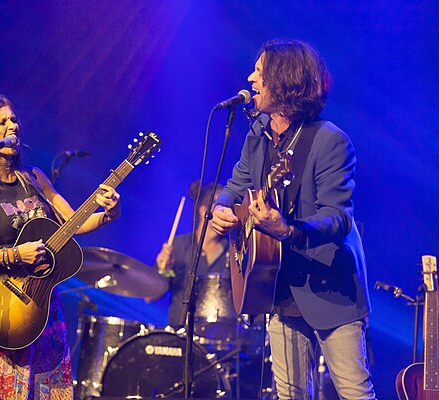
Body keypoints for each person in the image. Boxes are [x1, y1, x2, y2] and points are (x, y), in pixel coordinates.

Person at [211, 39, 376, 399]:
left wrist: (286, 230)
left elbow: (338, 219)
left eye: (260, 72)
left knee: (353, 391)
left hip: (329, 284)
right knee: (290, 394)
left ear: (284, 81)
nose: (251, 78)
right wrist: (221, 209)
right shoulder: (257, 135)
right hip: (276, 283)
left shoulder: (330, 141)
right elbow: (235, 185)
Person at [0, 94, 121, 400]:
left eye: (13, 119)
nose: (12, 125)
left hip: (43, 310)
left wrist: (109, 213)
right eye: (2, 121)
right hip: (0, 310)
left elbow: (73, 222)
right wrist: (14, 254)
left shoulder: (34, 178)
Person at [155, 181, 229, 331]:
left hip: (220, 339)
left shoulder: (233, 250)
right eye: (222, 207)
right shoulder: (178, 245)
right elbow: (150, 296)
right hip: (178, 334)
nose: (227, 212)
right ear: (204, 211)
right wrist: (164, 271)